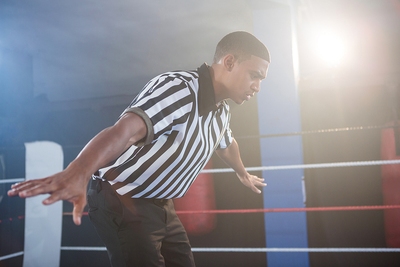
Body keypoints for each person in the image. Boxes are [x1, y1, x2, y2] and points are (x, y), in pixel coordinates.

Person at [8, 31, 270, 267]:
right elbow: (124, 131)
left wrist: (242, 173)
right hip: (123, 199)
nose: (258, 86)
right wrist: (80, 170)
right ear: (229, 62)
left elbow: (226, 144)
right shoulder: (178, 89)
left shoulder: (221, 110)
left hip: (162, 206)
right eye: (254, 75)